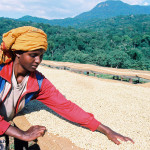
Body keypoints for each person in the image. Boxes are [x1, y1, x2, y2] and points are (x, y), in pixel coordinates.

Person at [0, 26, 134, 146]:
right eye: (33, 55)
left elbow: (66, 107)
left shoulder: (38, 82)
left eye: (41, 56)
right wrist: (22, 134)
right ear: (17, 52)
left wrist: (106, 130)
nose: (38, 61)